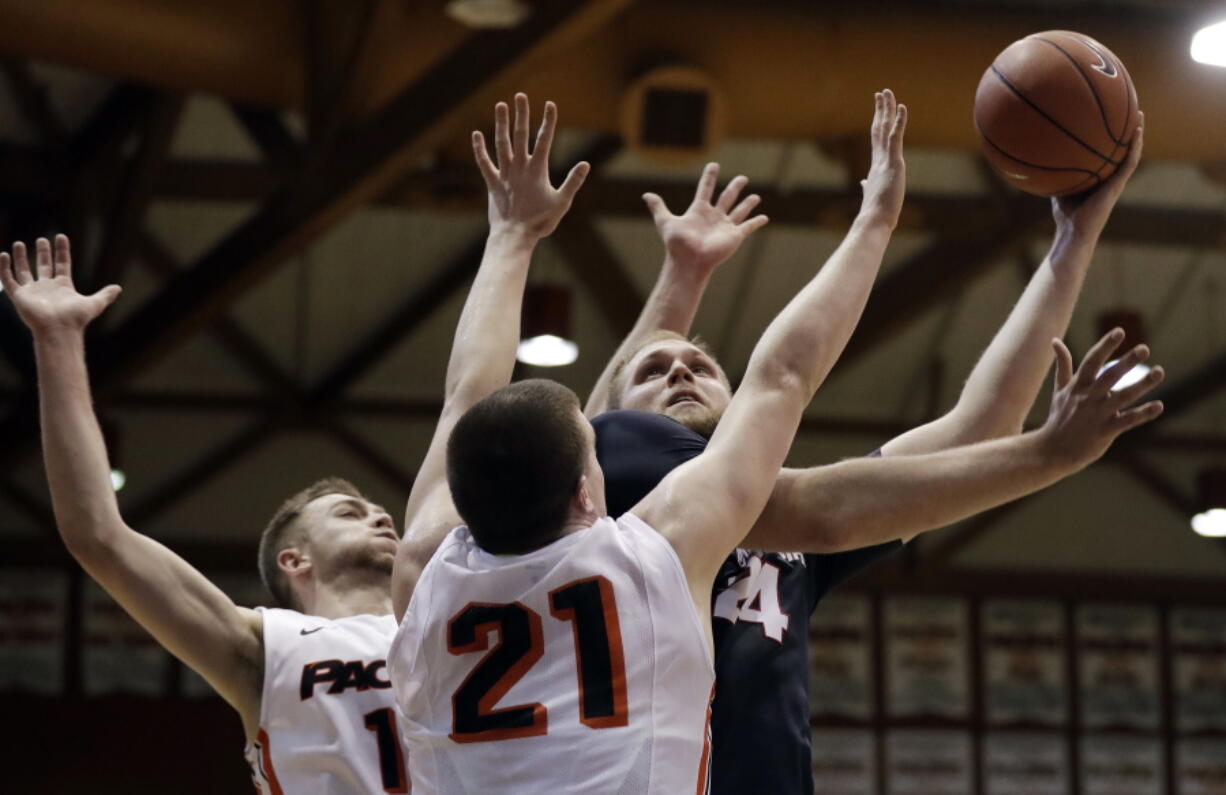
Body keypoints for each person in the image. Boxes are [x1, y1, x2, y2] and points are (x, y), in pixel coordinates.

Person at [587, 107, 1150, 793]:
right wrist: (1049, 454)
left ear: (738, 413)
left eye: (703, 368)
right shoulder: (619, 468)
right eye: (653, 372)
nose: (681, 371)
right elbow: (828, 504)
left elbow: (979, 429)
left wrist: (1073, 236)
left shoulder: (778, 537)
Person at [0, 236, 415, 791]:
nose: (381, 518)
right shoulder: (266, 645)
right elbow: (97, 535)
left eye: (379, 511)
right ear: (294, 559)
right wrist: (57, 340)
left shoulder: (445, 622)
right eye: (350, 513)